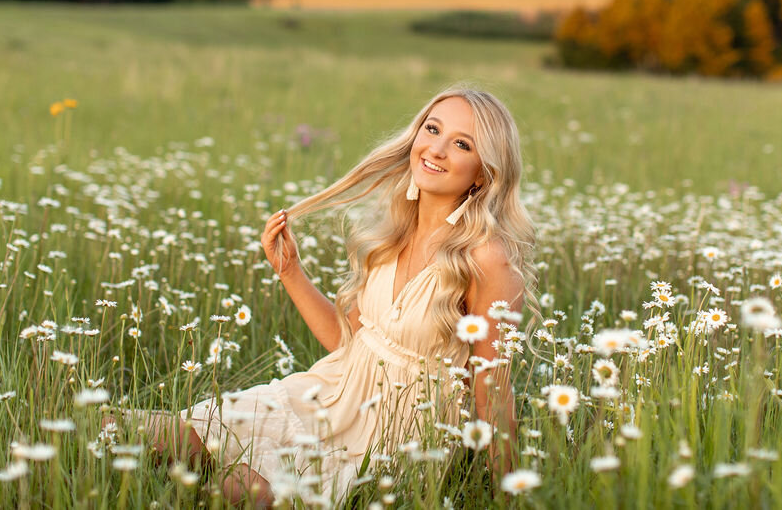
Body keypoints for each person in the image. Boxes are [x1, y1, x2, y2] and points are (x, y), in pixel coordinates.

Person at [124, 85, 538, 508]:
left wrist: (507, 495)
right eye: (432, 129)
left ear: (483, 173)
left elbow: (493, 393)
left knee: (254, 489)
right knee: (158, 432)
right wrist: (290, 272)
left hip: (397, 436)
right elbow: (350, 344)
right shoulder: (396, 230)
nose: (436, 149)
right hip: (330, 395)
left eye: (462, 143)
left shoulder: (486, 257)